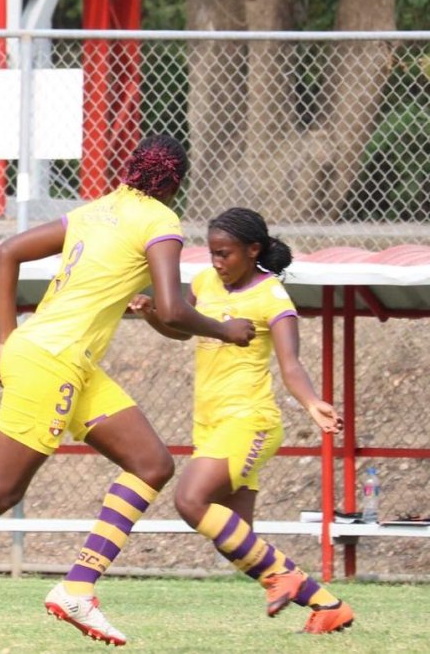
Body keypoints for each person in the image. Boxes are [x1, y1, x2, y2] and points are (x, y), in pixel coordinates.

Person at [0, 135, 257, 649]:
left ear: (131, 168)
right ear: (177, 181)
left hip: (64, 360)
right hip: (53, 362)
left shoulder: (98, 209)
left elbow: (7, 253)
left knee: (152, 463)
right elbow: (175, 310)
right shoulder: (161, 221)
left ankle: (77, 589)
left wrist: (6, 341)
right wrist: (227, 330)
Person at [130, 207, 355, 634]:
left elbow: (291, 366)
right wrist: (154, 315)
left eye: (225, 254)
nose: (216, 262)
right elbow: (183, 329)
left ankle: (283, 578)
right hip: (209, 424)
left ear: (253, 251)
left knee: (190, 501)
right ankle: (328, 606)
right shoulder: (204, 282)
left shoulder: (272, 297)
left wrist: (311, 403)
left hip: (250, 421)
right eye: (212, 253)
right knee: (238, 540)